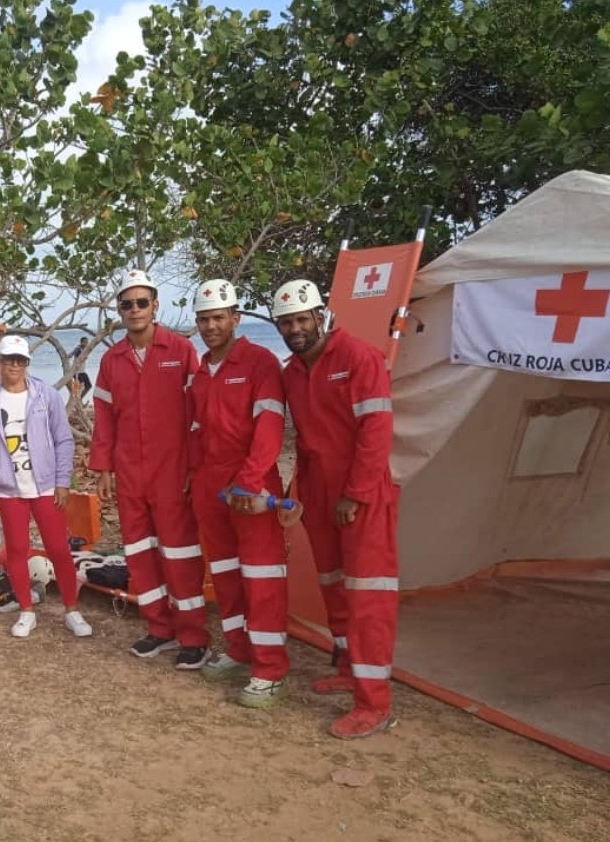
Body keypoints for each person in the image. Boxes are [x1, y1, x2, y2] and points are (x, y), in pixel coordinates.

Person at [272, 278, 399, 739]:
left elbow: (376, 431)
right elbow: (306, 442)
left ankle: (374, 704)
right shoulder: (291, 372)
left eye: (302, 319)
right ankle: (349, 667)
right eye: (286, 322)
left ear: (321, 315)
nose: (295, 328)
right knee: (334, 585)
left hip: (360, 495)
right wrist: (295, 490)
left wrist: (356, 494)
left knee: (368, 596)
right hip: (319, 493)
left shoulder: (359, 358)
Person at [89, 269, 210, 669]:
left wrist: (195, 464)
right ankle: (159, 628)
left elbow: (198, 414)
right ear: (119, 310)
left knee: (179, 553)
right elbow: (104, 418)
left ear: (155, 306)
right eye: (127, 304)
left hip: (172, 469)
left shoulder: (180, 350)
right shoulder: (111, 359)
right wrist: (103, 466)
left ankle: (193, 635)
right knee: (140, 553)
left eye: (142, 302)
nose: (135, 309)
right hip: (129, 471)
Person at [188, 279, 289, 707]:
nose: (211, 326)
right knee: (226, 574)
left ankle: (269, 670)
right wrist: (193, 479)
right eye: (204, 320)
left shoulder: (260, 362)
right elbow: (195, 431)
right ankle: (237, 649)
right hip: (211, 486)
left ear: (235, 318)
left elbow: (269, 428)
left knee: (262, 577)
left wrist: (249, 482)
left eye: (218, 318)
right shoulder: (201, 371)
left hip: (252, 484)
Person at [0, 335, 92, 638]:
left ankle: (72, 610)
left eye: (20, 360)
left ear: (27, 364)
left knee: (59, 548)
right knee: (18, 549)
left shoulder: (45, 395)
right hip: (10, 490)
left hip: (46, 486)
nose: (14, 365)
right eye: (9, 359)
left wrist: (62, 481)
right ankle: (26, 610)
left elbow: (63, 439)